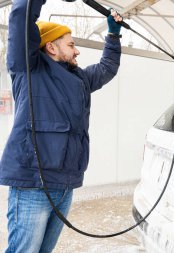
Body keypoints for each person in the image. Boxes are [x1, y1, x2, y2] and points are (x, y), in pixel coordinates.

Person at [0, 0, 123, 252]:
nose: (76, 51)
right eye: (71, 44)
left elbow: (107, 68)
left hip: (65, 186)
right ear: (51, 47)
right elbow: (21, 17)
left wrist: (113, 35)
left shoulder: (79, 79)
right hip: (33, 185)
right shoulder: (29, 69)